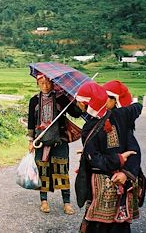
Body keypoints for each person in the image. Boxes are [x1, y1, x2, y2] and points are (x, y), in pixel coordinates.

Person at [75, 81, 142, 233]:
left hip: (105, 182)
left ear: (88, 104)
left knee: (101, 226)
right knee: (116, 225)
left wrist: (125, 172)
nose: (78, 105)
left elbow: (133, 151)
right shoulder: (118, 117)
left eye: (80, 102)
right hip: (113, 182)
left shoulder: (93, 126)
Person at [27, 74, 82, 214]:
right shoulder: (34, 100)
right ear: (37, 83)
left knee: (62, 170)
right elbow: (31, 123)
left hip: (59, 141)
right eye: (41, 83)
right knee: (43, 171)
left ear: (53, 84)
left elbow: (75, 113)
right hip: (41, 142)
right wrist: (30, 141)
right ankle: (44, 202)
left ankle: (67, 203)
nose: (45, 86)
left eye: (47, 83)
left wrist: (78, 104)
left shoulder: (61, 99)